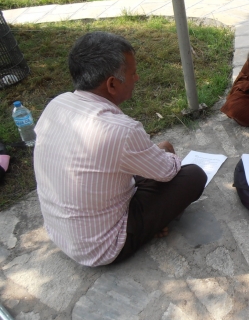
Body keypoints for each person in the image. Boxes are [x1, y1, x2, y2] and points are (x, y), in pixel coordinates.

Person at [34, 32, 207, 267]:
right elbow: (168, 172)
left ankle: (150, 219)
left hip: (63, 234)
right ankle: (147, 228)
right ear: (112, 84)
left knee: (141, 163)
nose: (137, 78)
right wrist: (165, 150)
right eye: (132, 73)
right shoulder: (121, 131)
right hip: (102, 247)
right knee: (193, 175)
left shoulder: (56, 105)